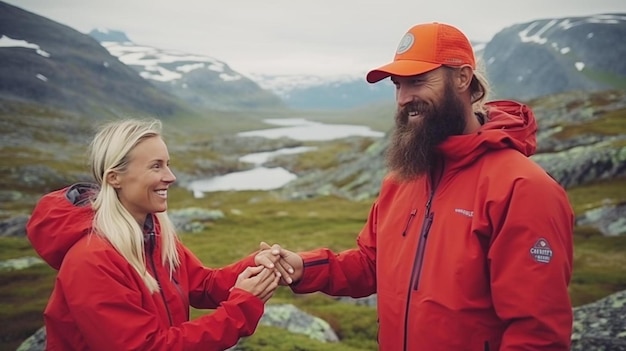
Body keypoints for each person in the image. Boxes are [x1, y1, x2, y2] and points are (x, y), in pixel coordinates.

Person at [262, 22, 575, 350]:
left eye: (417, 81)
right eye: (398, 85)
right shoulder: (403, 178)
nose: (403, 98)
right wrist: (304, 267)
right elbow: (373, 263)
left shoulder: (522, 189)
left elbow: (538, 334)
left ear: (463, 78)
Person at [26, 119, 284, 351]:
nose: (170, 177)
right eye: (156, 166)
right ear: (115, 178)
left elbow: (203, 285)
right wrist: (240, 308)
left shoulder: (152, 233)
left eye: (168, 165)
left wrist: (256, 265)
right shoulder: (91, 260)